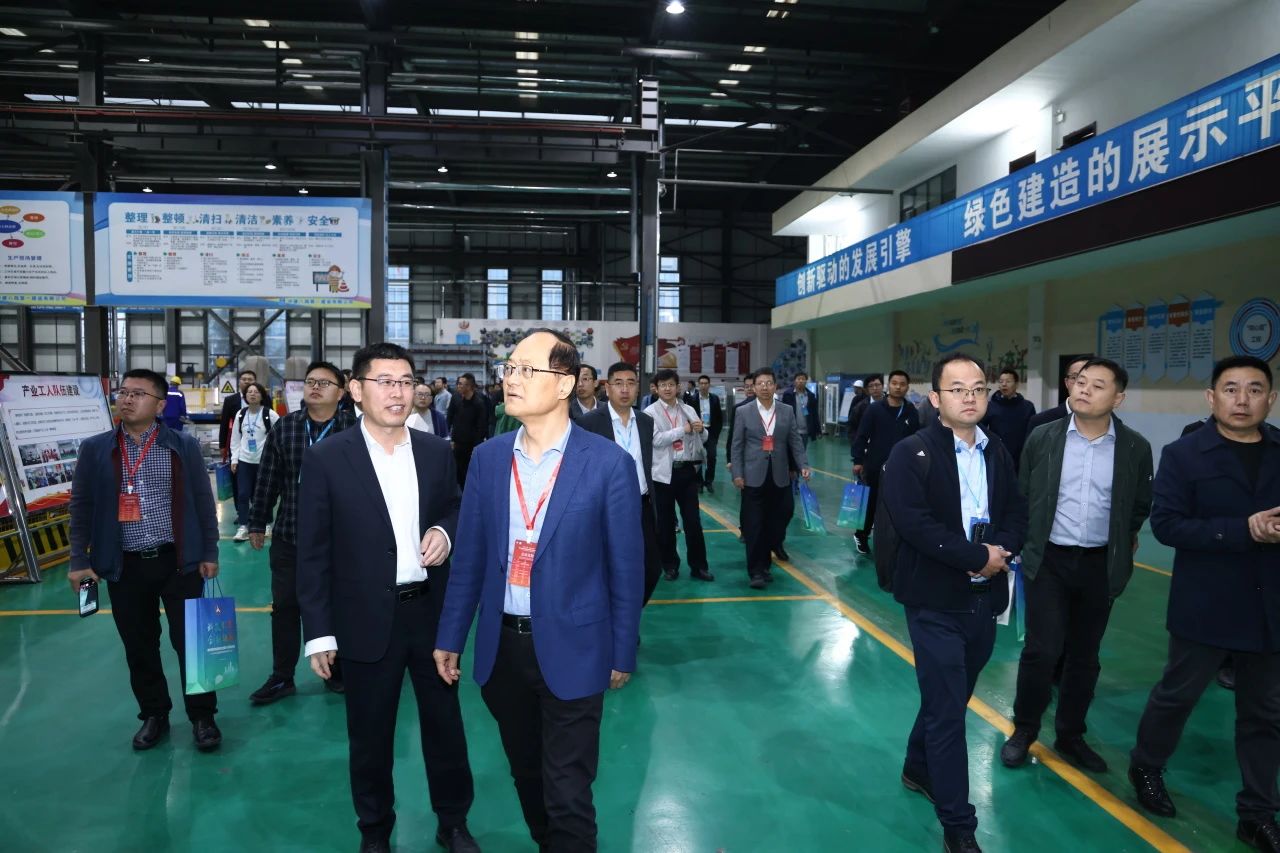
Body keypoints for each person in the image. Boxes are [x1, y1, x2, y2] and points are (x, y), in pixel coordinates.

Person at [433, 329, 643, 852]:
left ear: (565, 383)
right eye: (509, 369)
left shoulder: (608, 464)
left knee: (568, 790)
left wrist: (622, 650)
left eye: (527, 370)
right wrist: (451, 636)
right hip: (503, 650)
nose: (512, 379)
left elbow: (626, 569)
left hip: (577, 647)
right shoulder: (488, 459)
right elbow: (470, 558)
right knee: (528, 775)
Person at [297, 343, 478, 853]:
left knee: (445, 726)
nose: (398, 392)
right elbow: (312, 552)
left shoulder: (436, 451)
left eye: (405, 381)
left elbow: (456, 507)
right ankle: (374, 830)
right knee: (370, 735)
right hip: (363, 619)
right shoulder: (328, 458)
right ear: (356, 390)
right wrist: (320, 633)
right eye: (385, 382)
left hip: (430, 614)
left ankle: (453, 822)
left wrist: (445, 530)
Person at [1128, 355, 1280, 851]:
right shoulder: (1184, 454)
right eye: (1231, 389)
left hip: (1270, 606)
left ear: (1271, 399)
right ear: (1212, 398)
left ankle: (1257, 812)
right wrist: (1243, 530)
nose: (1243, 399)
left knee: (1265, 713)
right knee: (1178, 695)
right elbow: (1167, 524)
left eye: (1254, 389)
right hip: (1207, 601)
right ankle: (1146, 766)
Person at [883, 352, 1026, 853]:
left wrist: (1001, 551)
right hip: (934, 599)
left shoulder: (996, 449)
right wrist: (974, 556)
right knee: (948, 713)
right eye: (958, 389)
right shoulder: (911, 452)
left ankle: (917, 766)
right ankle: (958, 825)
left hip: (984, 598)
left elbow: (1016, 510)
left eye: (979, 388)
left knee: (951, 694)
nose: (970, 397)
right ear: (935, 398)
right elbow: (913, 522)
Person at [1001, 357, 1152, 773]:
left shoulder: (1135, 448)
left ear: (1118, 398)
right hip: (1049, 560)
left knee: (1085, 656)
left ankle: (1070, 735)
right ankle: (1024, 729)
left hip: (1099, 566)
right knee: (1042, 650)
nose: (1084, 389)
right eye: (1081, 381)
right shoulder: (1043, 437)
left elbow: (1139, 504)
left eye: (1098, 385)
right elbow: (1024, 493)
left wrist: (1122, 538)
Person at [67, 368, 222, 751]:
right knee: (139, 645)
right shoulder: (96, 449)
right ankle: (154, 714)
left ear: (160, 405)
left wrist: (210, 551)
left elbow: (203, 501)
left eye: (138, 393)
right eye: (123, 392)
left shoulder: (182, 446)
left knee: (191, 644)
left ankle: (203, 716)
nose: (127, 399)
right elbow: (81, 507)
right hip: (125, 566)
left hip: (178, 562)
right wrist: (78, 559)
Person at [247, 361, 358, 704]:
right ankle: (282, 676)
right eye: (311, 381)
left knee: (339, 606)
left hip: (341, 539)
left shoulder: (356, 430)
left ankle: (335, 670)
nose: (315, 387)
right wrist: (257, 521)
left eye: (324, 383)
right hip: (290, 535)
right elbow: (267, 477)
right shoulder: (286, 427)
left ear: (341, 392)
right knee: (285, 607)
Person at [581, 361, 662, 605]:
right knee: (607, 568)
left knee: (651, 568)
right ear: (607, 388)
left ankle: (629, 614)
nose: (625, 389)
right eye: (618, 383)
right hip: (606, 508)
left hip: (642, 505)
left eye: (630, 383)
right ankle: (611, 618)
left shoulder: (646, 421)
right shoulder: (589, 423)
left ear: (638, 388)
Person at [730, 366, 809, 589]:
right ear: (754, 388)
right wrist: (737, 473)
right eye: (760, 383)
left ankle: (767, 559)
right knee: (754, 525)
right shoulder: (743, 412)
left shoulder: (786, 411)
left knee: (778, 519)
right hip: (752, 477)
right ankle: (757, 571)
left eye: (769, 383)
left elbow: (795, 441)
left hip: (780, 476)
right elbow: (737, 445)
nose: (764, 387)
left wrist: (803, 465)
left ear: (775, 386)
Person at [646, 368, 713, 582]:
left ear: (678, 387)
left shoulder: (688, 409)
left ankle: (699, 566)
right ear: (656, 388)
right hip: (662, 475)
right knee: (665, 524)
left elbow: (703, 438)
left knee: (693, 522)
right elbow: (656, 440)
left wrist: (701, 430)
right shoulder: (649, 412)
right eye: (663, 385)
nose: (667, 388)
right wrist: (682, 430)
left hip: (686, 472)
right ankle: (669, 565)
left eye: (671, 385)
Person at [851, 370, 920, 555]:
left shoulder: (911, 412)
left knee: (896, 504)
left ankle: (892, 539)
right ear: (889, 385)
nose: (898, 387)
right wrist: (858, 460)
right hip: (874, 466)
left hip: (901, 468)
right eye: (895, 383)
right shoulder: (874, 409)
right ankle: (861, 535)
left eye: (902, 384)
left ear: (907, 387)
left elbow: (916, 440)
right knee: (871, 503)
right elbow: (862, 435)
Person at [229, 382, 276, 542]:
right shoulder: (241, 414)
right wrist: (234, 459)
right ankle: (243, 527)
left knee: (263, 495)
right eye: (249, 392)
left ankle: (267, 523)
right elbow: (235, 439)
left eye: (256, 392)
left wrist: (275, 458)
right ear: (245, 396)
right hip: (244, 461)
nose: (252, 394)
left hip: (264, 463)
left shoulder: (270, 414)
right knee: (243, 494)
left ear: (262, 395)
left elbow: (279, 435)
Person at [982, 368, 1037, 470]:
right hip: (997, 455)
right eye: (1001, 381)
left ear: (1016, 384)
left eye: (1008, 381)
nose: (1004, 384)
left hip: (1021, 457)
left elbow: (1032, 433)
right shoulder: (990, 406)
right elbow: (981, 429)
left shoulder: (1027, 407)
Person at [1027, 354, 1095, 434]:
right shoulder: (1040, 422)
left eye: (1091, 379)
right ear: (1066, 382)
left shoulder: (1106, 420)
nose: (1082, 384)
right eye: (1074, 377)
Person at [448, 373, 488, 488]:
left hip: (472, 444)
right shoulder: (456, 398)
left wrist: (477, 446)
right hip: (457, 442)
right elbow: (450, 417)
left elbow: (482, 426)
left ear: (469, 386)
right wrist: (450, 437)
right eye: (458, 383)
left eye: (461, 384)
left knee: (470, 471)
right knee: (457, 471)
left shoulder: (479, 403)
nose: (458, 386)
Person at [685, 375, 724, 494]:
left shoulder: (715, 399)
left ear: (709, 385)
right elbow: (688, 417)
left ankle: (709, 481)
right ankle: (699, 483)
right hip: (697, 433)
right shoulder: (692, 399)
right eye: (701, 383)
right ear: (698, 385)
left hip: (711, 433)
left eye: (705, 383)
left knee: (712, 457)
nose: (703, 385)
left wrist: (716, 435)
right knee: (697, 459)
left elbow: (719, 418)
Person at [218, 368, 257, 461]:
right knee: (236, 466)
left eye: (250, 379)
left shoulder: (264, 399)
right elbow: (224, 424)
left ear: (255, 383)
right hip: (237, 440)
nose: (247, 381)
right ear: (239, 382)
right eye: (244, 379)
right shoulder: (230, 400)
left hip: (258, 440)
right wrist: (222, 445)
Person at [781, 371, 822, 446]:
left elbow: (815, 414)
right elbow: (783, 413)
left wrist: (818, 430)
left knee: (802, 450)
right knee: (792, 451)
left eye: (803, 379)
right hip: (792, 430)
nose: (800, 381)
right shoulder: (788, 395)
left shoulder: (811, 396)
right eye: (798, 379)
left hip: (805, 431)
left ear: (806, 381)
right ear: (794, 381)